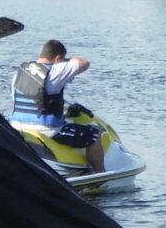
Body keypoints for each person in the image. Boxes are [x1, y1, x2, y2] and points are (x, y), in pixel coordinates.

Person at [10, 39, 105, 174]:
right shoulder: (55, 70)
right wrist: (66, 60)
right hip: (46, 129)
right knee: (94, 135)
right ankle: (101, 174)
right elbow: (84, 63)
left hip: (17, 126)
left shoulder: (20, 73)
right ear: (58, 58)